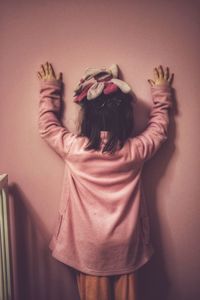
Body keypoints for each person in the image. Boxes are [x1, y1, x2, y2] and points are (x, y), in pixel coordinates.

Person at [37, 62, 173, 300]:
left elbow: (47, 127)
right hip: (127, 247)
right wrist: (161, 95)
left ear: (86, 118)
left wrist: (50, 89)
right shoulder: (134, 151)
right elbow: (158, 130)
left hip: (88, 249)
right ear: (126, 118)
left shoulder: (75, 149)